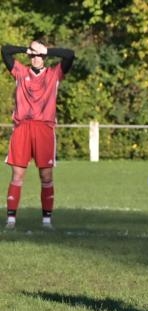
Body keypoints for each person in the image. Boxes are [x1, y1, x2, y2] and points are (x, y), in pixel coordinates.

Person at [1, 40, 75, 229]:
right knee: (17, 175)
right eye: (33, 55)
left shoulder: (54, 74)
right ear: (29, 56)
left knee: (46, 176)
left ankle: (47, 220)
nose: (36, 58)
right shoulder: (20, 72)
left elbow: (69, 55)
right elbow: (5, 51)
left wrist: (46, 50)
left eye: (40, 55)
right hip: (22, 127)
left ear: (45, 57)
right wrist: (25, 49)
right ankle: (11, 220)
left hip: (44, 128)